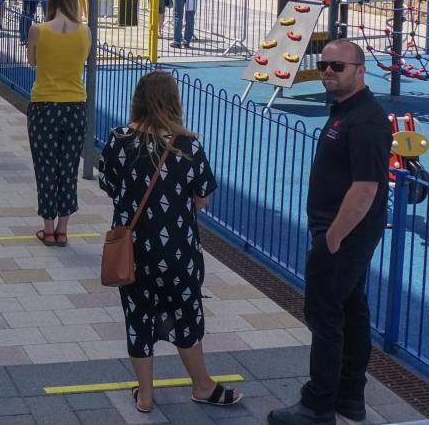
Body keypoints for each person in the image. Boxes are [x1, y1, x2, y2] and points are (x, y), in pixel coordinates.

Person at [98, 71, 243, 414]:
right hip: (177, 250)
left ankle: (145, 396)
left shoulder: (118, 140)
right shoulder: (187, 145)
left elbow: (109, 185)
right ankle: (203, 385)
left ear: (138, 99)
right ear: (173, 101)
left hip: (133, 252)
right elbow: (203, 197)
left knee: (138, 318)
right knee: (186, 315)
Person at [268, 41, 392, 425]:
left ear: (360, 70)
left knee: (323, 315)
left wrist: (332, 239)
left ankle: (318, 404)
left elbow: (366, 188)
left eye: (338, 65)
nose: (328, 71)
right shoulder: (344, 111)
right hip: (338, 233)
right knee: (350, 311)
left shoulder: (366, 120)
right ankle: (349, 395)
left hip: (343, 235)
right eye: (324, 65)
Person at [27, 0, 90, 247]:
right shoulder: (85, 32)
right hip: (75, 104)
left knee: (45, 166)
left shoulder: (37, 30)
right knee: (68, 166)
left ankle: (48, 228)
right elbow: (81, 61)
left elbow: (33, 61)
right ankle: (64, 229)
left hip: (44, 104)